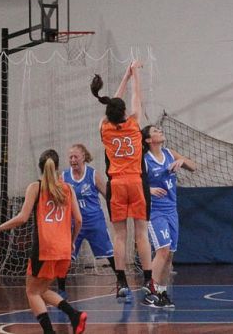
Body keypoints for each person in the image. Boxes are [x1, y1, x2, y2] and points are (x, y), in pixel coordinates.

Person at [0, 149, 87, 334]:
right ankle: (75, 316)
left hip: (44, 248)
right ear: (57, 166)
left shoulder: (36, 187)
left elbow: (22, 217)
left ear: (40, 167)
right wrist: (72, 241)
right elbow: (79, 220)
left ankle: (50, 331)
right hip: (63, 249)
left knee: (32, 292)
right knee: (42, 290)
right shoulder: (68, 188)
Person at [91, 60, 156, 304]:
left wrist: (124, 78)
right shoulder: (134, 123)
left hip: (116, 184)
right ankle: (148, 280)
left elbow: (113, 105)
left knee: (119, 235)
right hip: (135, 182)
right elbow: (137, 96)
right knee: (141, 233)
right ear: (125, 112)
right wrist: (134, 74)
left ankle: (121, 283)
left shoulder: (104, 128)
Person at [141, 124, 197, 308]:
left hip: (172, 209)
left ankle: (162, 292)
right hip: (155, 211)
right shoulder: (145, 160)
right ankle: (150, 292)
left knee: (170, 254)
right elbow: (135, 185)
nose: (160, 131)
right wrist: (149, 190)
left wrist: (182, 161)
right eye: (155, 131)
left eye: (159, 130)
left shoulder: (169, 153)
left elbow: (193, 167)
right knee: (163, 250)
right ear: (148, 140)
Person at [57, 143, 116, 299]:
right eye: (70, 157)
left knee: (110, 254)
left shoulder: (93, 174)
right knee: (65, 257)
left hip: (94, 221)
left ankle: (123, 284)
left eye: (75, 156)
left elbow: (108, 196)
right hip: (73, 223)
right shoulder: (64, 177)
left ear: (83, 157)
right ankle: (61, 289)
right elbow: (59, 200)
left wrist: (116, 213)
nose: (73, 160)